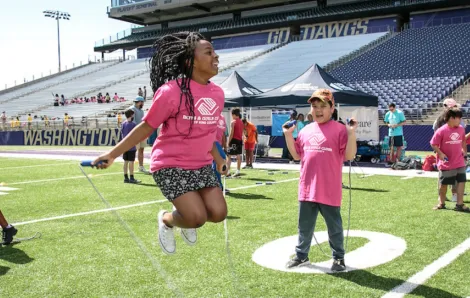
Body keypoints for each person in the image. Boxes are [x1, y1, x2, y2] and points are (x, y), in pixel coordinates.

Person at [92, 31, 227, 255]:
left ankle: (182, 214)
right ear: (190, 61)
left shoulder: (218, 93)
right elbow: (146, 127)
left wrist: (219, 158)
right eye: (209, 52)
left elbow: (208, 133)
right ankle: (167, 220)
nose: (216, 56)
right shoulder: (171, 92)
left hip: (201, 165)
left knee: (218, 213)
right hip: (170, 164)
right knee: (196, 218)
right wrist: (112, 154)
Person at [283, 88, 357, 272]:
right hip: (307, 188)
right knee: (304, 226)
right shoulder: (306, 130)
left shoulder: (340, 130)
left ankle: (338, 258)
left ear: (332, 108)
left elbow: (349, 155)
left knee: (334, 227)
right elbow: (297, 156)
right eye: (314, 106)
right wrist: (287, 135)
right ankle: (301, 256)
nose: (318, 110)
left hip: (329, 188)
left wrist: (351, 133)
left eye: (323, 105)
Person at [431, 107, 469, 212]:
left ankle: (459, 204)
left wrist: (464, 154)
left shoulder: (461, 129)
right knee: (444, 185)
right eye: (459, 118)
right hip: (446, 163)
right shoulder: (441, 130)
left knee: (461, 182)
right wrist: (441, 153)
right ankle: (441, 203)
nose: (460, 120)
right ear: (451, 118)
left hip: (459, 161)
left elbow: (463, 142)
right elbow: (433, 143)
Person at [433, 98, 464, 203]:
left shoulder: (458, 121)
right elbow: (435, 137)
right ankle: (443, 197)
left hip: (454, 151)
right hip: (444, 152)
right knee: (443, 174)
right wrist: (439, 151)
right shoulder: (440, 120)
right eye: (448, 106)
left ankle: (452, 194)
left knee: (454, 174)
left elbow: (462, 137)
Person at [130, 96, 149, 174]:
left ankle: (141, 166)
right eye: (142, 102)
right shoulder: (132, 109)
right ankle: (131, 167)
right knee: (133, 150)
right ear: (140, 102)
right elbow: (132, 122)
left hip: (142, 132)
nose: (143, 104)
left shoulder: (141, 111)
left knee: (141, 149)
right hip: (136, 133)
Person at [121, 109, 141, 184]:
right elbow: (135, 135)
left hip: (125, 145)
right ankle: (132, 177)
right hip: (131, 145)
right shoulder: (133, 124)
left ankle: (126, 177)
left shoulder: (123, 124)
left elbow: (122, 134)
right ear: (131, 115)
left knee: (125, 161)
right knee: (131, 162)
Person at [226, 108, 244, 177]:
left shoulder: (233, 122)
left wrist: (228, 141)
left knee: (229, 156)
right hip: (239, 140)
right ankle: (238, 170)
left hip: (234, 140)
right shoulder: (241, 122)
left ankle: (227, 172)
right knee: (238, 155)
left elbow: (231, 133)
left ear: (233, 114)